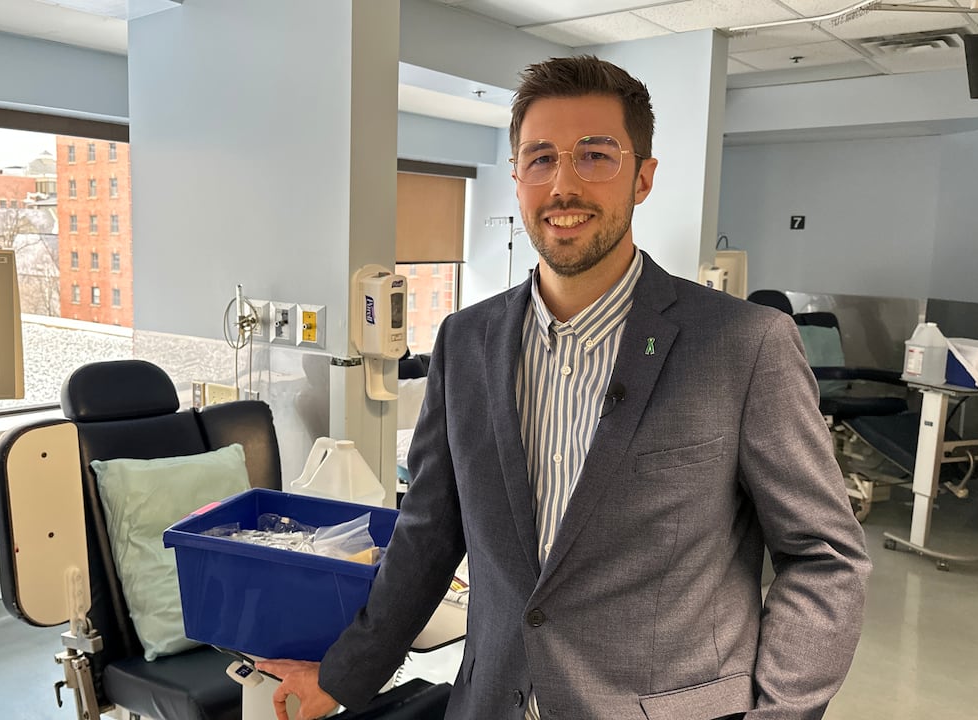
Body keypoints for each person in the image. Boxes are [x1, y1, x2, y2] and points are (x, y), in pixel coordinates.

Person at [258, 54, 871, 720]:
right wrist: (345, 677)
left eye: (595, 156)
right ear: (517, 177)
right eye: (541, 158)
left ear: (643, 178)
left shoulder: (742, 345)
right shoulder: (466, 343)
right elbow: (429, 537)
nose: (563, 186)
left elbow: (825, 558)